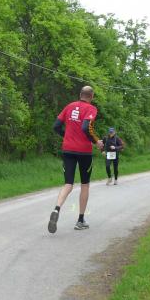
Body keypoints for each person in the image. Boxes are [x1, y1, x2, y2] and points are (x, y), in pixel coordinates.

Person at [48, 86, 103, 233]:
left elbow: (56, 126)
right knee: (85, 184)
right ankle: (80, 220)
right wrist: (96, 141)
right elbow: (86, 127)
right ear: (91, 96)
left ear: (80, 94)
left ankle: (56, 209)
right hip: (84, 151)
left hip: (68, 150)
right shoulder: (91, 109)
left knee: (68, 183)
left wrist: (66, 136)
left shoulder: (69, 106)